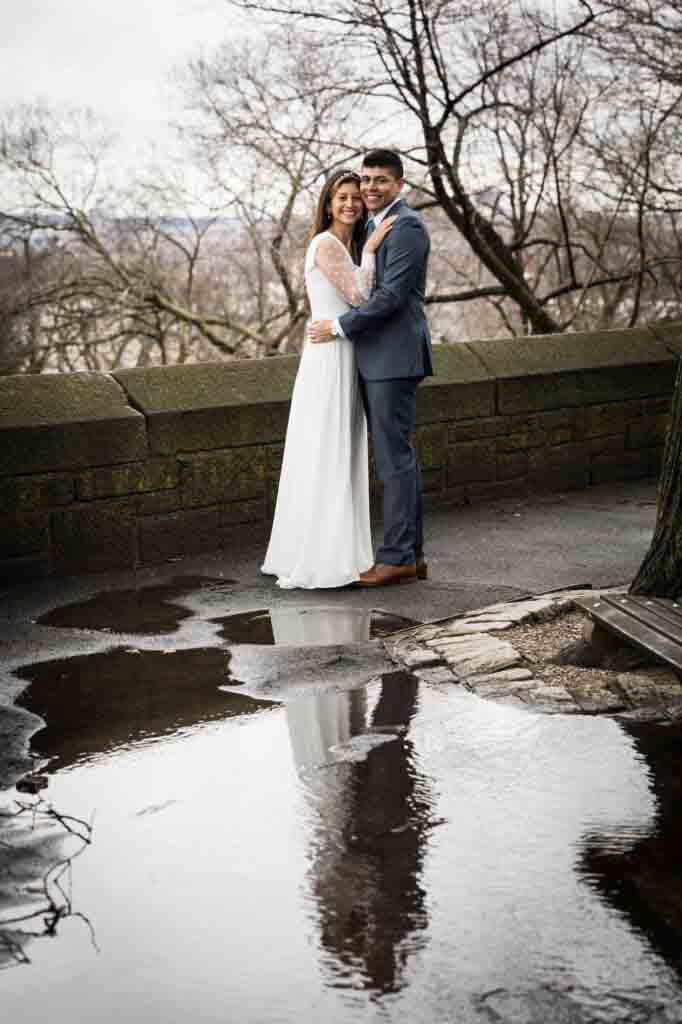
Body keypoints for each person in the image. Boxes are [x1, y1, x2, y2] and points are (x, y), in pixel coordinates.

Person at [261, 170, 395, 589]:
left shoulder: (338, 245)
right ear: (328, 203)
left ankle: (336, 549)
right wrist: (372, 251)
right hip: (331, 357)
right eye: (342, 197)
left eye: (357, 197)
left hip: (338, 351)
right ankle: (323, 556)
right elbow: (360, 296)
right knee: (329, 450)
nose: (351, 203)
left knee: (333, 448)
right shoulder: (326, 243)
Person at [309, 149, 433, 587]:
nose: (370, 188)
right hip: (378, 355)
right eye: (366, 180)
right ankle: (411, 555)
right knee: (399, 457)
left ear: (400, 184)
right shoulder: (371, 226)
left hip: (392, 356)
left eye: (381, 180)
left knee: (395, 459)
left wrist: (339, 327)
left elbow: (392, 297)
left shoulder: (407, 227)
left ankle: (397, 557)